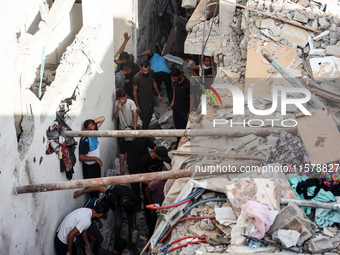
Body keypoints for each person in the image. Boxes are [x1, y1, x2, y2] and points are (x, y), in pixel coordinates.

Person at [74, 185, 141, 243]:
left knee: (131, 221)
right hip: (117, 201)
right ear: (122, 209)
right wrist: (82, 192)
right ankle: (117, 242)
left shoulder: (135, 199)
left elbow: (134, 209)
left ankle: (131, 242)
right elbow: (99, 188)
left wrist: (133, 223)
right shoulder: (114, 194)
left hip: (126, 202)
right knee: (118, 223)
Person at [119, 126, 157, 196]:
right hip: (133, 166)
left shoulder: (143, 138)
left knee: (146, 186)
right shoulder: (123, 141)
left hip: (145, 166)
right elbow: (122, 153)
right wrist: (121, 167)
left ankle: (147, 203)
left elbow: (154, 147)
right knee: (134, 188)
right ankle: (137, 203)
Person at [79, 116, 105, 198]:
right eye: (90, 129)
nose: (93, 131)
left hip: (96, 165)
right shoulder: (85, 140)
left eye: (94, 128)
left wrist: (92, 123)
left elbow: (102, 118)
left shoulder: (94, 133)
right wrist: (95, 158)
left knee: (98, 185)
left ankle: (97, 201)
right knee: (92, 189)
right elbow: (81, 157)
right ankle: (94, 204)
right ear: (84, 130)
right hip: (89, 168)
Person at [133, 60, 162, 129]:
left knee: (149, 116)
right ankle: (144, 135)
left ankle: (145, 133)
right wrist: (136, 105)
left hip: (151, 100)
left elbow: (154, 82)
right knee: (145, 119)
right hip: (142, 102)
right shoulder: (137, 78)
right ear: (140, 68)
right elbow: (134, 91)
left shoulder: (151, 72)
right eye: (144, 70)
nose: (146, 72)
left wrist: (158, 94)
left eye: (147, 70)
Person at [169, 68, 194, 145]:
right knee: (177, 126)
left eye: (175, 79)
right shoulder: (175, 82)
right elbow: (175, 92)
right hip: (176, 109)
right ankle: (178, 141)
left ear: (179, 76)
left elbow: (192, 99)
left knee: (183, 128)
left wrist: (190, 112)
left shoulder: (187, 84)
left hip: (184, 110)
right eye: (172, 79)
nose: (174, 80)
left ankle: (183, 143)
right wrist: (173, 102)